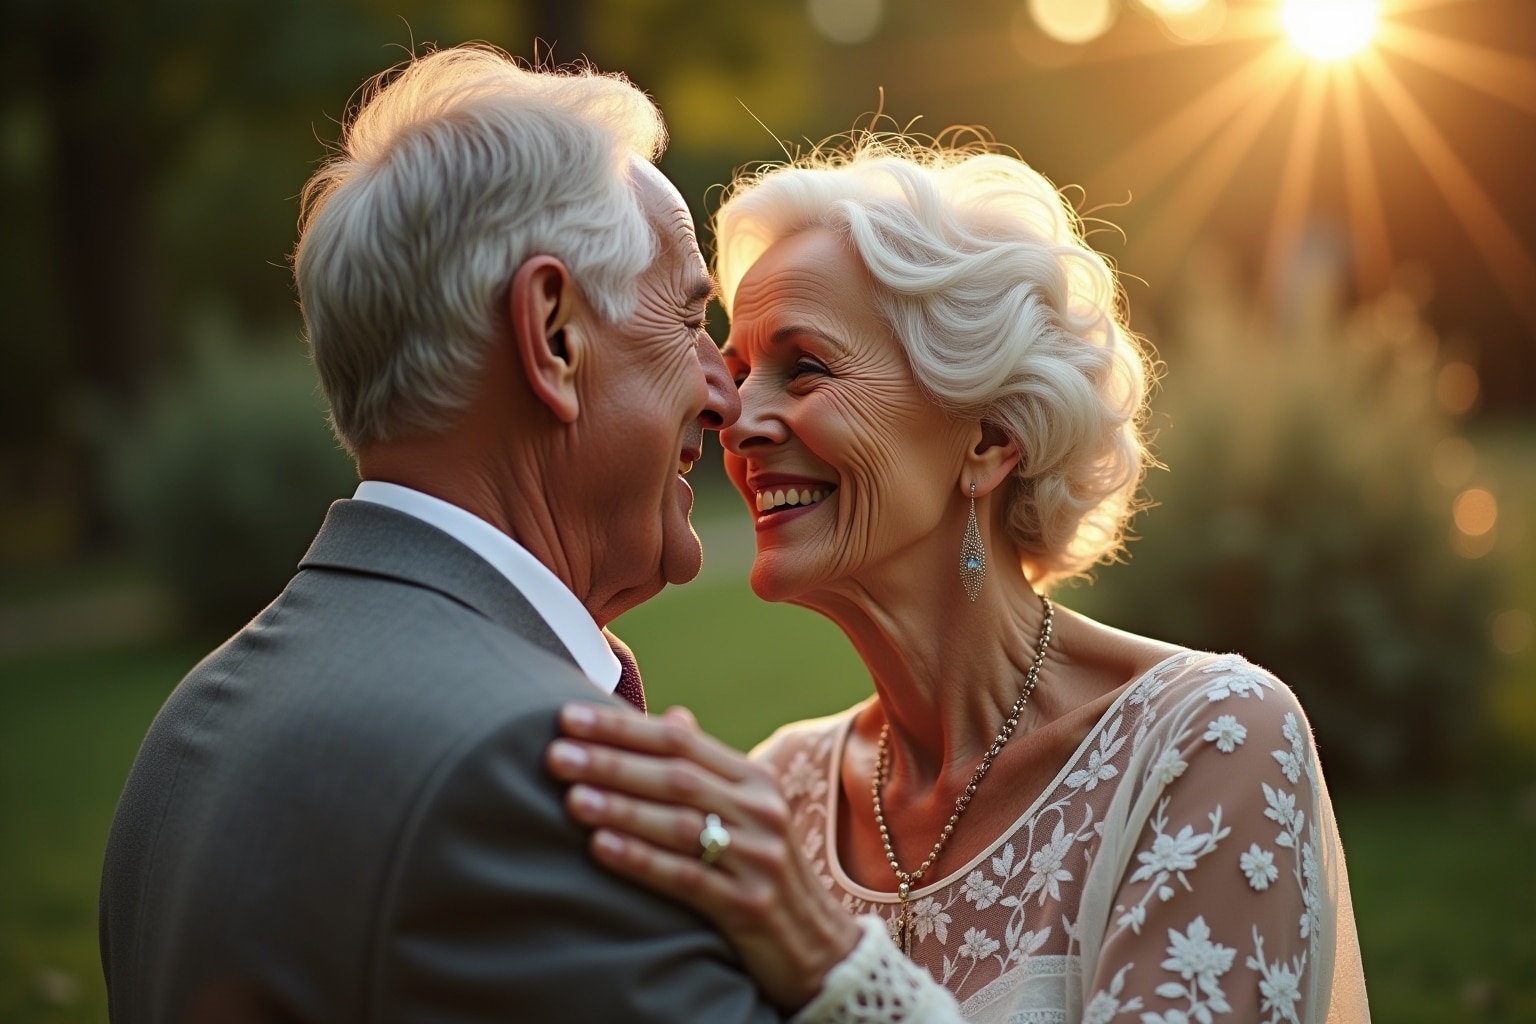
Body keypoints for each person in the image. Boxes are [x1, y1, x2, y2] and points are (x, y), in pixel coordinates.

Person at [545, 138, 1371, 1022]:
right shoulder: (777, 791)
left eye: (806, 367)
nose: (737, 419)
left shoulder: (1209, 739)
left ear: (987, 440)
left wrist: (827, 958)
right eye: (741, 374)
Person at [98, 45, 787, 1023]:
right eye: (686, 319)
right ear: (553, 335)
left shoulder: (190, 727)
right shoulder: (534, 772)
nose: (726, 393)